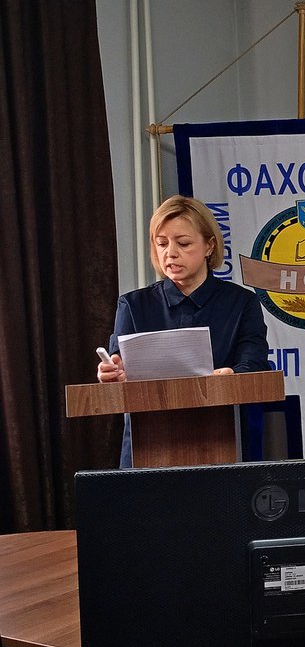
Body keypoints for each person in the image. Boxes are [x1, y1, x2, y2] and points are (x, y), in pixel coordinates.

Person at [97, 194, 270, 467]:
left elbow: (255, 363)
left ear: (209, 246)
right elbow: (118, 366)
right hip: (147, 450)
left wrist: (233, 375)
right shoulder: (132, 306)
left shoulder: (241, 303)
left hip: (222, 445)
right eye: (162, 243)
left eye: (183, 243)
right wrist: (112, 373)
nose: (171, 253)